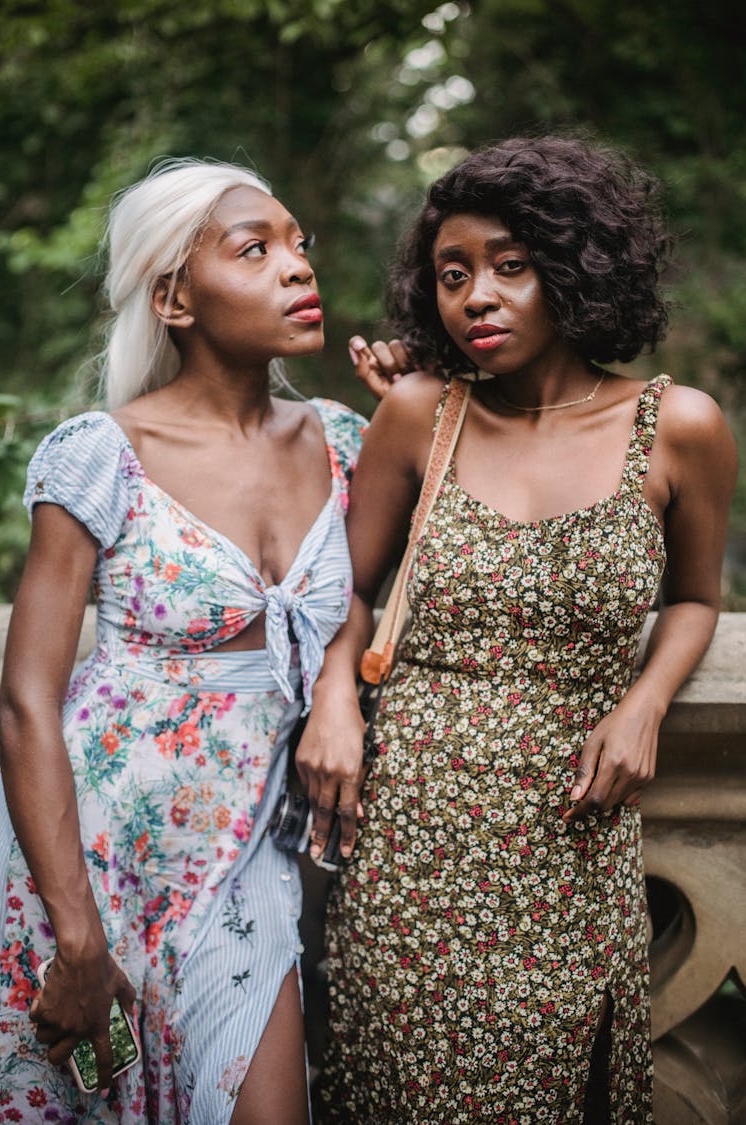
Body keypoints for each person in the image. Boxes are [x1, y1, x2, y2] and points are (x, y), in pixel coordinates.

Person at [295, 135, 737, 1123]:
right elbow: (351, 589)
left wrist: (644, 705)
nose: (476, 297)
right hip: (406, 835)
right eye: (453, 275)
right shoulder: (420, 413)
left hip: (567, 839)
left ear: (576, 267)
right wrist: (334, 698)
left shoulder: (679, 427)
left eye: (510, 265)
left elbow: (697, 600)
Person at [0, 158, 367, 1124]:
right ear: (173, 296)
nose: (296, 266)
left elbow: (384, 589)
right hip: (90, 859)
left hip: (251, 855)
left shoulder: (348, 440)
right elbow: (25, 699)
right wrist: (76, 936)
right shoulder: (101, 455)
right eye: (257, 249)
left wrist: (334, 687)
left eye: (299, 245)